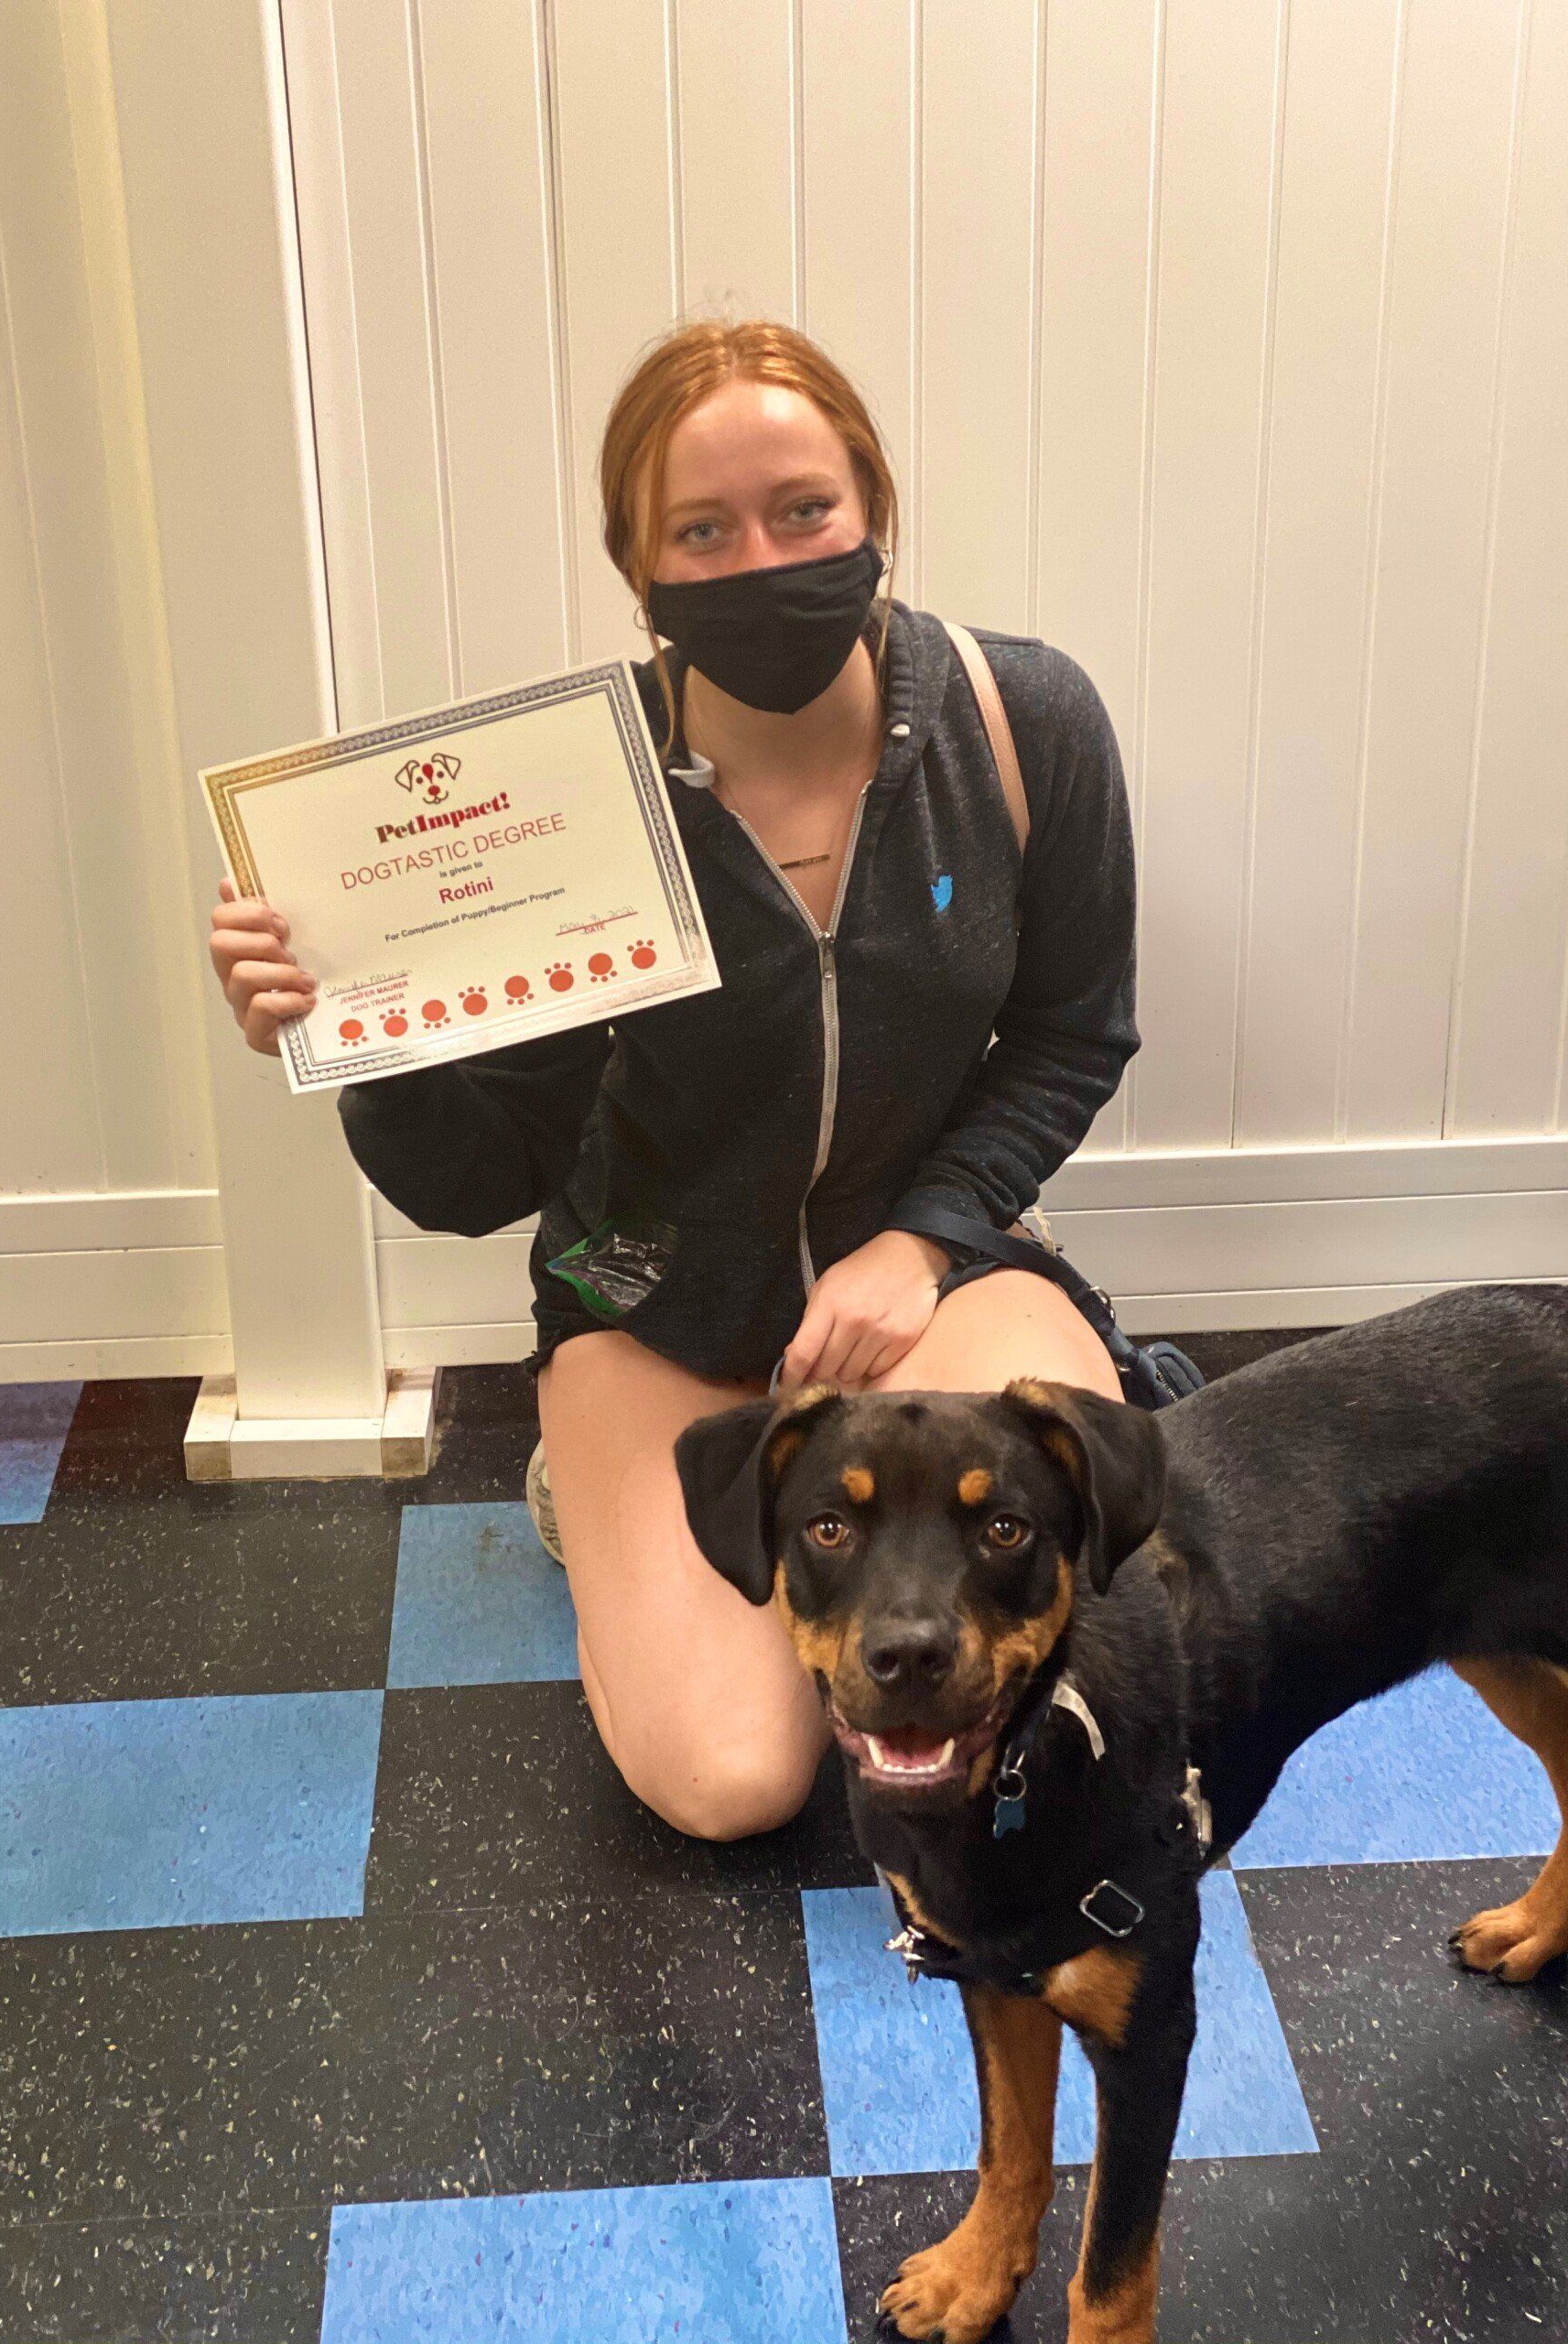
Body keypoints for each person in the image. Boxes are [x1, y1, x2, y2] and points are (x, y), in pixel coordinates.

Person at [208, 317, 1140, 1845]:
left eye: (802, 511)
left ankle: (892, 1445)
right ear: (638, 572)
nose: (759, 559)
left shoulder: (1022, 724)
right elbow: (475, 1181)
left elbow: (1069, 1034)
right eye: (699, 532)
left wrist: (919, 1243)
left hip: (931, 1271)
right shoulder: (567, 802)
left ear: (874, 512)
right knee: (732, 1784)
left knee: (1060, 1674)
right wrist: (373, 1047)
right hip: (655, 1303)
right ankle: (612, 1496)